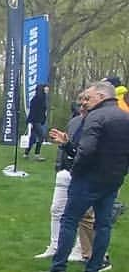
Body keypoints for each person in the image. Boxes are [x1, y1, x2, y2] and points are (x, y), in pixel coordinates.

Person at [48, 81, 129, 272]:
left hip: (88, 178)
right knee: (103, 224)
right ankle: (93, 268)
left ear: (101, 97)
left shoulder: (96, 117)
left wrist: (76, 170)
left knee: (69, 220)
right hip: (113, 179)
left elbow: (87, 150)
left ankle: (59, 267)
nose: (85, 102)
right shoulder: (125, 117)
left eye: (89, 98)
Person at [36, 90, 90, 261]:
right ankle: (55, 245)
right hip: (66, 171)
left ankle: (81, 249)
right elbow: (65, 144)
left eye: (85, 102)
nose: (82, 106)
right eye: (80, 102)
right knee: (57, 209)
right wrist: (59, 166)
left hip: (85, 173)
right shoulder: (74, 122)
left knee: (84, 214)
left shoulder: (97, 122)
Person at [25, 83, 49, 160]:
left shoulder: (43, 98)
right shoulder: (36, 99)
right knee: (41, 136)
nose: (47, 89)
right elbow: (32, 112)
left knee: (33, 138)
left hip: (38, 121)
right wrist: (31, 122)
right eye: (46, 88)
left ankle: (26, 153)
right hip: (34, 121)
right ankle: (37, 154)